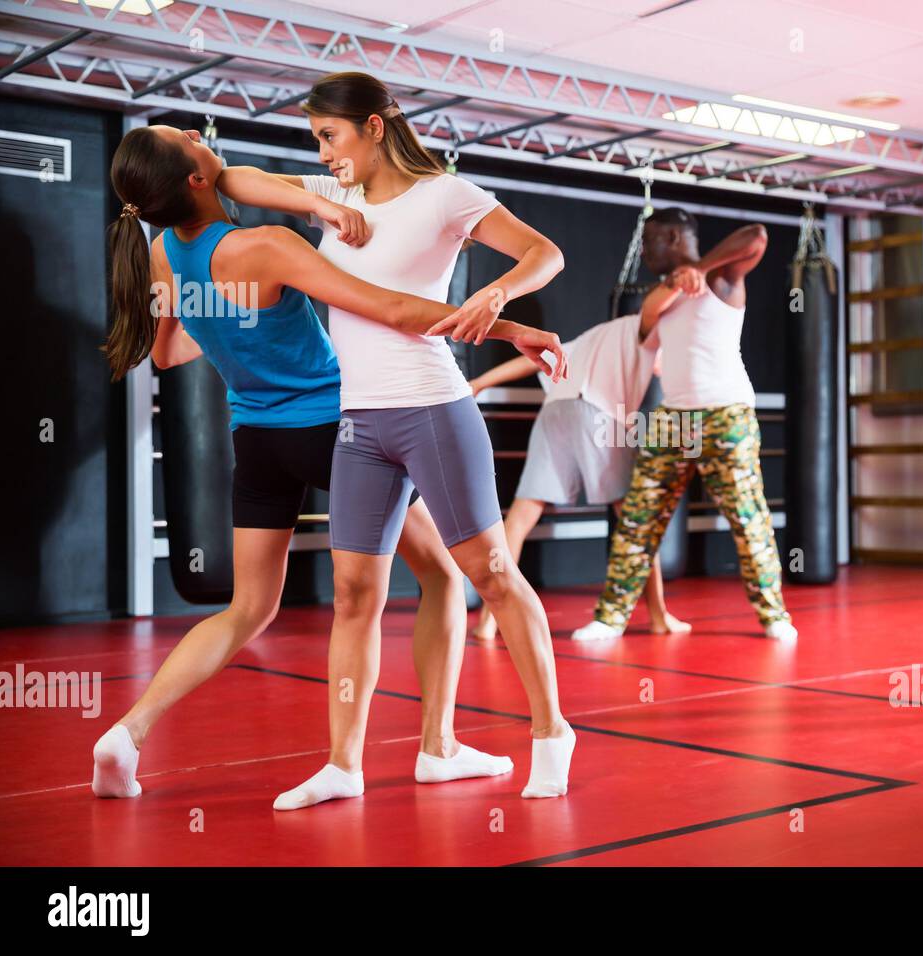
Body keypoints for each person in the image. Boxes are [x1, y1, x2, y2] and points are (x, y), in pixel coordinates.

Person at [92, 123, 559, 798]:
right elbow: (390, 307)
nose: (198, 132)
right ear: (195, 177)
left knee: (247, 609)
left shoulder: (164, 253)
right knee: (443, 577)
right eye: (186, 137)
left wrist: (236, 333)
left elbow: (166, 354)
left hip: (256, 443)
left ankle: (127, 733)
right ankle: (439, 747)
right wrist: (505, 323)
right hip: (336, 428)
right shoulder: (266, 246)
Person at [217, 71, 578, 806]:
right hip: (359, 424)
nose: (321, 153)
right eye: (315, 139)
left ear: (375, 127)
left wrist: (496, 292)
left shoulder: (445, 194)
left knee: (491, 573)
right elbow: (235, 176)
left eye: (330, 136)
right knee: (354, 593)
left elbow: (545, 252)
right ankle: (344, 765)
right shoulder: (337, 198)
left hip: (432, 411)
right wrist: (314, 198)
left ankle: (551, 732)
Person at [571, 210, 797, 643]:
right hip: (673, 419)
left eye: (651, 242)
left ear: (674, 236)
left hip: (726, 414)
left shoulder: (723, 279)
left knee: (748, 519)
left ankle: (774, 616)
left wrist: (700, 268)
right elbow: (648, 322)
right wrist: (675, 284)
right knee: (637, 520)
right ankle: (611, 617)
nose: (643, 252)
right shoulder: (658, 299)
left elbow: (756, 235)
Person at [467, 312, 689, 640]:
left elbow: (536, 358)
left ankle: (488, 621)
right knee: (636, 521)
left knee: (520, 518)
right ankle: (658, 615)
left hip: (555, 409)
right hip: (599, 414)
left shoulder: (595, 332)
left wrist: (480, 382)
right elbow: (664, 368)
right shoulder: (653, 329)